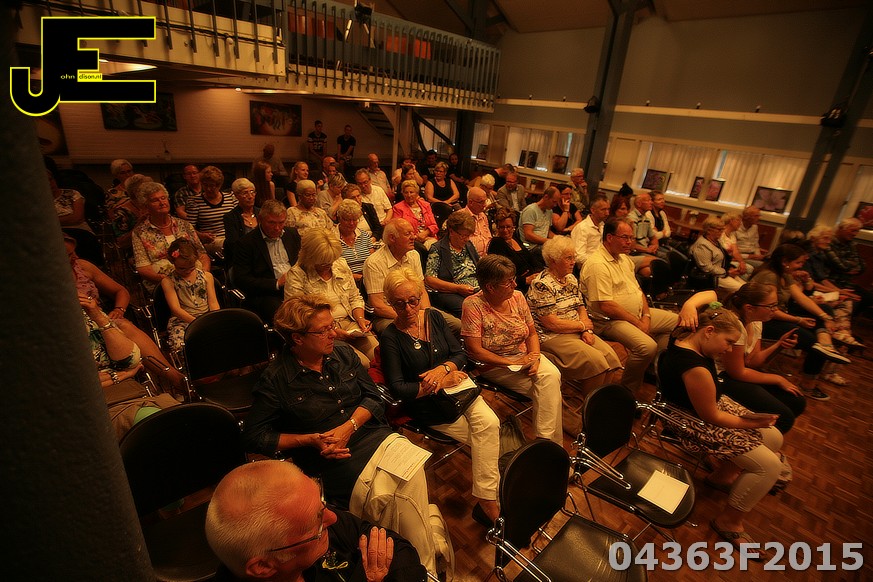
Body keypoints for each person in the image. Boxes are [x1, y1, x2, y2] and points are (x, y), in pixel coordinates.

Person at [242, 295, 425, 509]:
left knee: (411, 472)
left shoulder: (343, 353)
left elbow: (374, 397)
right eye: (323, 331)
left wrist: (349, 426)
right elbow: (254, 437)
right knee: (393, 498)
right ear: (298, 338)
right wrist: (310, 440)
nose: (333, 334)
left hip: (372, 434)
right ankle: (429, 528)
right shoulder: (276, 379)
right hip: (331, 459)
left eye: (332, 325)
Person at [660, 307, 785, 558]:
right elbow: (712, 417)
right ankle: (729, 522)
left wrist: (690, 307)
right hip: (691, 420)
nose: (729, 350)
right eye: (728, 342)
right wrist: (752, 424)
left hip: (707, 408)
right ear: (709, 331)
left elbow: (708, 297)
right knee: (769, 466)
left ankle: (722, 476)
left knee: (774, 437)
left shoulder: (684, 335)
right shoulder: (694, 367)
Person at [381, 268, 501, 524]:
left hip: (459, 389)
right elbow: (398, 388)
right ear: (390, 302)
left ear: (420, 296)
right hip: (429, 405)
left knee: (491, 424)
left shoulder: (433, 317)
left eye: (413, 300)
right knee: (486, 437)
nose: (408, 309)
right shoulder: (390, 337)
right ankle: (490, 501)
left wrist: (443, 370)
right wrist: (439, 383)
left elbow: (459, 354)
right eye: (400, 303)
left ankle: (486, 500)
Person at [205, 460, 427, 582]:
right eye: (317, 524)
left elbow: (400, 548)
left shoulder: (307, 513)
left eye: (322, 505)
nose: (333, 517)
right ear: (263, 566)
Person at [65, 231, 186, 392]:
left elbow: (121, 291)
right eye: (69, 255)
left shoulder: (83, 266)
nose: (75, 257)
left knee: (122, 325)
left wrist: (119, 309)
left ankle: (175, 378)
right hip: (75, 329)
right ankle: (176, 379)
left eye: (74, 252)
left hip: (100, 319)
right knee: (123, 327)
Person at [461, 255, 563, 443]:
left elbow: (532, 333)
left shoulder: (517, 297)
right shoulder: (473, 305)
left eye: (514, 279)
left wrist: (535, 357)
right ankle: (549, 446)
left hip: (525, 356)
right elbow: (475, 350)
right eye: (508, 282)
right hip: (495, 365)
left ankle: (545, 445)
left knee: (551, 378)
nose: (515, 284)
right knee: (550, 389)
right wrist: (511, 362)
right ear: (490, 287)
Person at [580, 217, 678, 391]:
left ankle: (648, 368)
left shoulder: (624, 259)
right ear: (610, 238)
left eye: (631, 238)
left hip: (636, 314)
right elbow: (606, 306)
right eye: (625, 237)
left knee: (677, 323)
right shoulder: (597, 264)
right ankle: (627, 390)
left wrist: (646, 315)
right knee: (647, 347)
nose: (629, 242)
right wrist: (638, 323)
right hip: (608, 321)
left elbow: (638, 290)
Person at [749, 244, 851, 400]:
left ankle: (826, 342)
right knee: (812, 341)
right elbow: (769, 309)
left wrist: (825, 317)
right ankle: (809, 383)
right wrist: (798, 320)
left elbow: (801, 297)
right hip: (763, 319)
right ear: (785, 261)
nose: (801, 266)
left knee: (823, 311)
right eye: (798, 262)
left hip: (778, 314)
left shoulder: (785, 274)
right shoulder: (769, 276)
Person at [707, 284, 807, 434]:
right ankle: (754, 440)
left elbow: (753, 361)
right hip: (720, 376)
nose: (775, 310)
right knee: (784, 417)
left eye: (776, 305)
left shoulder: (756, 322)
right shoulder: (735, 326)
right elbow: (737, 372)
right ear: (749, 308)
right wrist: (778, 379)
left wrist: (780, 345)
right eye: (771, 306)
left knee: (797, 401)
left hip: (738, 372)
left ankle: (763, 439)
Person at [527, 236, 622, 389]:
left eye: (573, 257)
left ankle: (602, 400)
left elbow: (580, 306)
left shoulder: (570, 278)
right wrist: (582, 326)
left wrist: (586, 330)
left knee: (611, 359)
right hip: (552, 335)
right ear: (553, 261)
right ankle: (589, 403)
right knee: (597, 362)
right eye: (568, 258)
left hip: (576, 329)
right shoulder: (541, 284)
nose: (573, 262)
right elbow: (551, 323)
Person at [285, 229, 378, 367]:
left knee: (379, 354)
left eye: (331, 261)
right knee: (361, 363)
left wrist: (360, 319)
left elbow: (355, 297)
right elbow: (297, 316)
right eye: (323, 262)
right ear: (310, 257)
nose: (328, 266)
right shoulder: (297, 275)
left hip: (350, 323)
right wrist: (331, 331)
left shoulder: (340, 264)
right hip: (321, 332)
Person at [363, 218, 460, 335]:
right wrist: (410, 316)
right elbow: (378, 306)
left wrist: (425, 314)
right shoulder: (374, 263)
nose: (413, 237)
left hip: (416, 309)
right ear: (392, 238)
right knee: (410, 333)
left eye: (413, 233)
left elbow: (422, 291)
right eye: (407, 234)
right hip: (389, 315)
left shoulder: (414, 255)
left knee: (457, 325)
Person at [232, 200, 301, 325]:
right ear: (260, 220)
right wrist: (277, 283)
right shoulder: (246, 243)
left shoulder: (292, 234)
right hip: (268, 293)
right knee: (289, 316)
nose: (277, 228)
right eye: (272, 223)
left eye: (281, 222)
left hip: (296, 286)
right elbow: (241, 279)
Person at [132, 182, 210, 292]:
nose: (162, 203)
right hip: (164, 284)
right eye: (155, 200)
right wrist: (172, 281)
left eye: (163, 198)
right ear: (146, 206)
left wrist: (203, 275)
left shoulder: (184, 225)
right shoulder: (140, 232)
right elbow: (143, 268)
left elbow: (202, 254)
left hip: (196, 278)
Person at [806, 224, 863, 348]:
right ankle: (841, 334)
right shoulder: (807, 255)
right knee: (843, 302)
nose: (829, 242)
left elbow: (823, 279)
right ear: (814, 238)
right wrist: (837, 293)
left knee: (847, 299)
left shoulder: (819, 255)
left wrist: (839, 291)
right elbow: (810, 283)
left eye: (830, 239)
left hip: (817, 290)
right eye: (825, 238)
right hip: (808, 292)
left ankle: (842, 334)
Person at [161, 239, 220, 352]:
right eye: (182, 268)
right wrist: (196, 322)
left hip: (206, 317)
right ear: (172, 262)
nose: (187, 271)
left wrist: (212, 320)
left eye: (191, 267)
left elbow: (213, 302)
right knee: (181, 346)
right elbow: (175, 309)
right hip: (182, 320)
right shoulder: (168, 281)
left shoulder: (207, 277)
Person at [424, 211, 480, 318]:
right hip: (451, 292)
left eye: (468, 235)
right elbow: (430, 279)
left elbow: (480, 266)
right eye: (463, 235)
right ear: (451, 231)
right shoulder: (438, 248)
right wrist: (457, 288)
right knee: (470, 309)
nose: (466, 239)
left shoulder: (468, 245)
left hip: (475, 289)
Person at [486, 207, 544, 293]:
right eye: (501, 227)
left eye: (508, 227)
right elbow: (501, 274)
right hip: (517, 287)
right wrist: (525, 280)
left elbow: (531, 259)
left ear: (514, 227)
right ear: (497, 227)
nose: (505, 230)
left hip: (533, 280)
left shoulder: (515, 237)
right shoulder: (496, 243)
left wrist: (539, 272)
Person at [185, 165, 237, 256]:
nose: (208, 189)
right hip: (211, 241)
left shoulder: (231, 198)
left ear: (219, 185)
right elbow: (188, 228)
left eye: (212, 186)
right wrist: (201, 235)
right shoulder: (195, 201)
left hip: (231, 238)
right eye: (205, 185)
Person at [689, 217, 745, 292]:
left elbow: (721, 260)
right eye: (719, 229)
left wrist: (731, 268)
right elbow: (706, 268)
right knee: (743, 290)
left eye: (722, 229)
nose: (722, 232)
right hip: (711, 278)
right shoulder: (702, 245)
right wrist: (726, 272)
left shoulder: (716, 241)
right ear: (709, 230)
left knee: (746, 286)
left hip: (722, 273)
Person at [336, 199, 375, 282]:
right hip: (344, 280)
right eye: (347, 220)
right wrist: (355, 277)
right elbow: (334, 268)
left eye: (354, 219)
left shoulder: (364, 235)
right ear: (339, 218)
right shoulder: (332, 238)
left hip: (368, 278)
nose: (351, 223)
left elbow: (373, 260)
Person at [392, 179, 438, 250]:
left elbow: (434, 225)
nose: (409, 195)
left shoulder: (426, 205)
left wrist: (425, 234)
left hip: (428, 237)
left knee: (432, 246)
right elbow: (399, 229)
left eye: (411, 192)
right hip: (410, 240)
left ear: (417, 193)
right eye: (406, 192)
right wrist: (416, 237)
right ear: (403, 194)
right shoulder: (398, 208)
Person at [223, 178, 260, 263]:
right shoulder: (230, 217)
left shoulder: (262, 213)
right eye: (245, 193)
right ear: (236, 196)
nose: (250, 196)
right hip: (242, 259)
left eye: (252, 192)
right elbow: (234, 245)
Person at [518, 186, 560, 257]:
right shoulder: (531, 210)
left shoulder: (549, 211)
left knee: (564, 248)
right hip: (531, 247)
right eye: (554, 202)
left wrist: (559, 239)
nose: (555, 205)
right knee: (558, 253)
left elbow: (547, 232)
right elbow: (528, 235)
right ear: (546, 197)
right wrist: (548, 242)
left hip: (542, 244)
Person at [49, 167, 92, 233]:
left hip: (78, 231)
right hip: (53, 233)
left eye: (50, 179)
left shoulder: (72, 193)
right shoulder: (39, 202)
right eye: (45, 181)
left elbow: (77, 218)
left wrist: (50, 221)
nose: (49, 183)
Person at [570, 195, 609, 268]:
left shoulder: (602, 226)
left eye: (608, 209)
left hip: (600, 264)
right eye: (603, 210)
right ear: (593, 210)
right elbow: (578, 256)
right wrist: (599, 261)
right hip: (587, 267)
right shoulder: (582, 228)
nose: (607, 213)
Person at [627, 192, 658, 277]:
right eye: (648, 200)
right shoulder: (632, 219)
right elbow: (632, 245)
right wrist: (647, 250)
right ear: (639, 204)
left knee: (667, 258)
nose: (651, 202)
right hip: (636, 252)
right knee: (658, 263)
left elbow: (653, 238)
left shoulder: (646, 218)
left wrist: (654, 245)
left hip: (646, 249)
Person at [423, 161, 460, 227]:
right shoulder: (430, 182)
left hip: (450, 203)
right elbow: (429, 198)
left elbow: (457, 194)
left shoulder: (450, 181)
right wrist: (443, 203)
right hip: (437, 206)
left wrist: (447, 201)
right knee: (448, 210)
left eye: (440, 171)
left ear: (445, 173)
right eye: (436, 171)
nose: (438, 173)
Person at [459, 186, 491, 257]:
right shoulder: (460, 217)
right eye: (481, 202)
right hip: (471, 257)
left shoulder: (483, 216)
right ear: (471, 202)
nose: (485, 205)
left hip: (488, 256)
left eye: (485, 201)